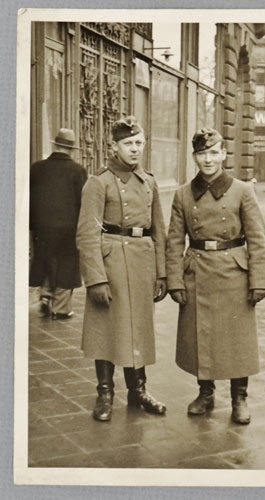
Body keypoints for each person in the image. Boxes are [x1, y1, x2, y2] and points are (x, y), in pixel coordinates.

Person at [166, 128, 265, 424]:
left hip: (234, 271)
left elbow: (257, 238)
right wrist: (174, 280)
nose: (208, 159)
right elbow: (174, 241)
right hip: (197, 271)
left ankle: (239, 398)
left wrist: (259, 280)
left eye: (214, 152)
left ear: (223, 154)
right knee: (201, 334)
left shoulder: (241, 191)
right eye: (202, 153)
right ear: (195, 157)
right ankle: (205, 393)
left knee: (237, 338)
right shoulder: (183, 194)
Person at [76, 116, 167, 422]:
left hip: (142, 263)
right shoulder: (98, 182)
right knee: (106, 330)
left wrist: (162, 274)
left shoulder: (149, 182)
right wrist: (95, 279)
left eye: (139, 143)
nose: (134, 149)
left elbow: (159, 232)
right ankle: (104, 393)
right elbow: (87, 233)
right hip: (110, 264)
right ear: (113, 147)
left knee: (138, 328)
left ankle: (138, 390)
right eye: (128, 144)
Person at [30, 128, 87, 319]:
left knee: (46, 259)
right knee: (66, 265)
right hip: (68, 228)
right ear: (71, 149)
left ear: (55, 145)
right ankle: (61, 308)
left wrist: (32, 225)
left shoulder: (36, 168)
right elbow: (82, 203)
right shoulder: (78, 171)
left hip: (41, 227)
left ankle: (45, 296)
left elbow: (29, 198)